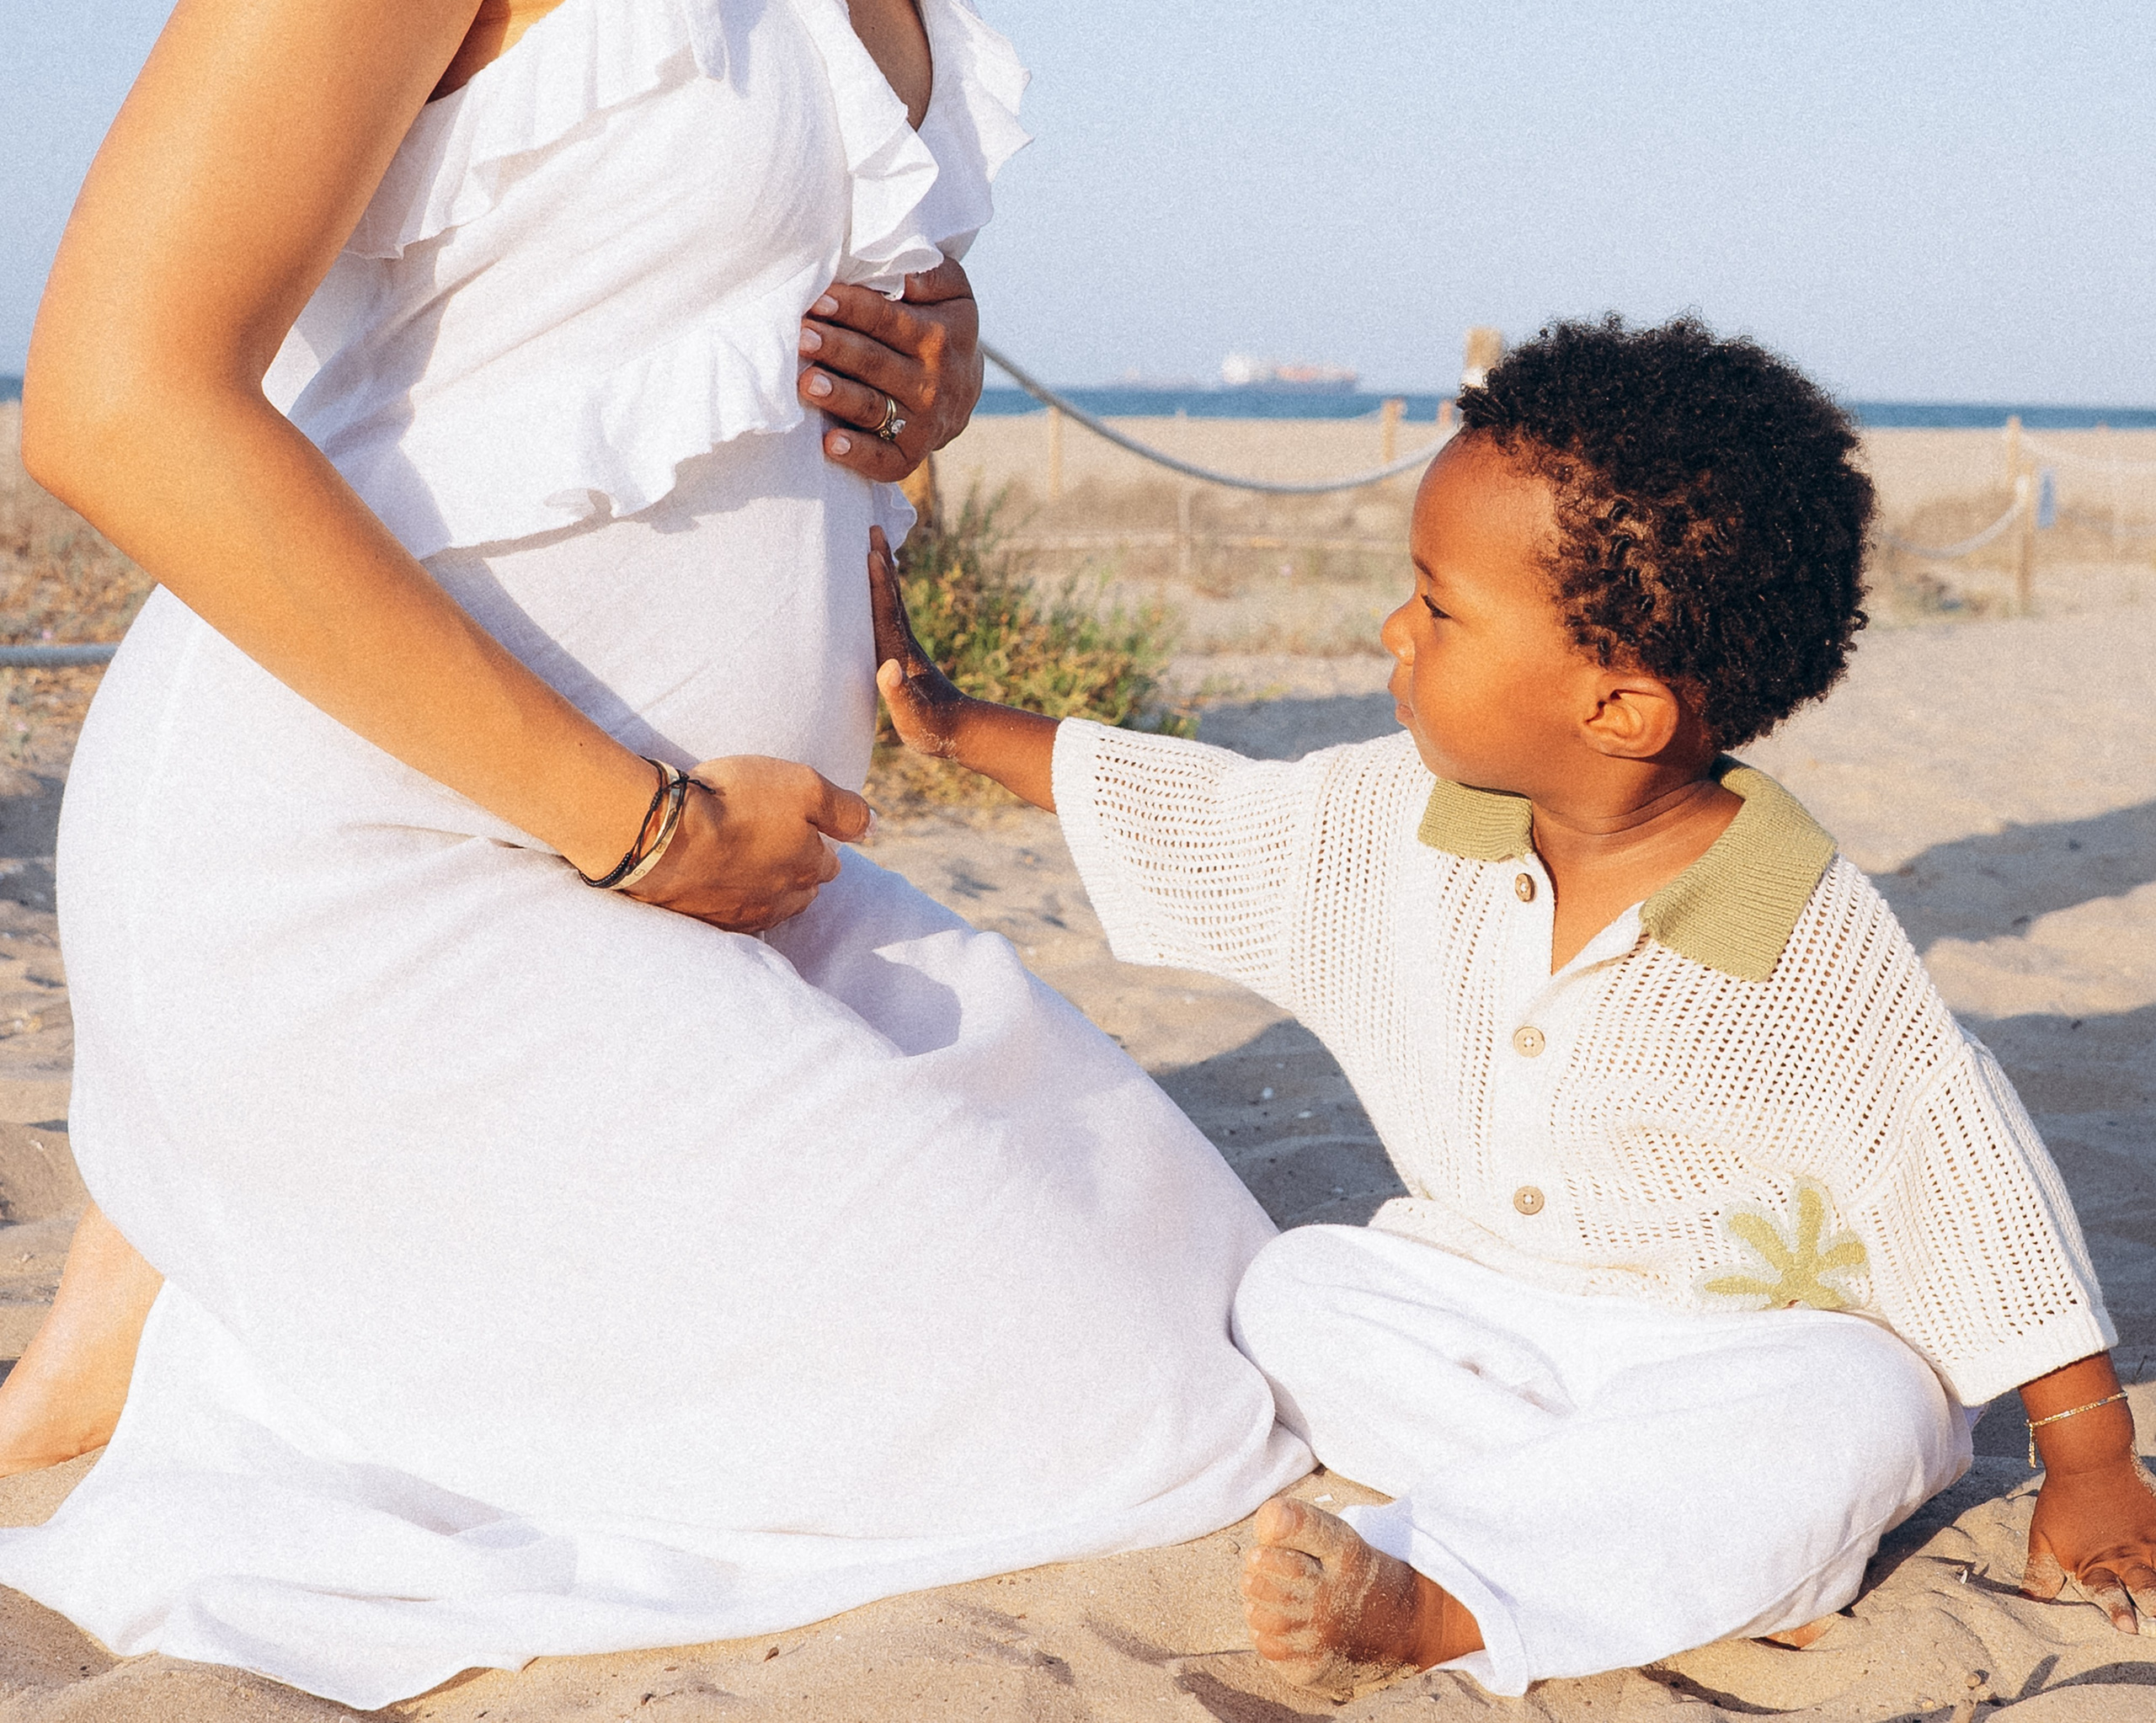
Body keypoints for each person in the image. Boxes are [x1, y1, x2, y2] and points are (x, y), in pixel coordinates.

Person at [0, 0, 1308, 1706]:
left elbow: (684, 286)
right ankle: (213, 1273)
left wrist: (928, 370)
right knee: (1140, 1421)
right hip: (387, 870)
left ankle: (200, 1287)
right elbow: (114, 402)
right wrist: (641, 827)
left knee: (1207, 1297)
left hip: (726, 897)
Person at [870, 314, 2156, 1702]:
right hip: (1484, 1316)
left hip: (1743, 1353)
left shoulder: (1804, 928)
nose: (1393, 629)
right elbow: (1217, 818)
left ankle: (1454, 1597)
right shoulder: (1394, 819)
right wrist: (957, 722)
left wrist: (2089, 1460)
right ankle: (1669, 1541)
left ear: (1618, 708)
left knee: (1865, 1411)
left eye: (1438, 606)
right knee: (1295, 1289)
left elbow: (1959, 1163)